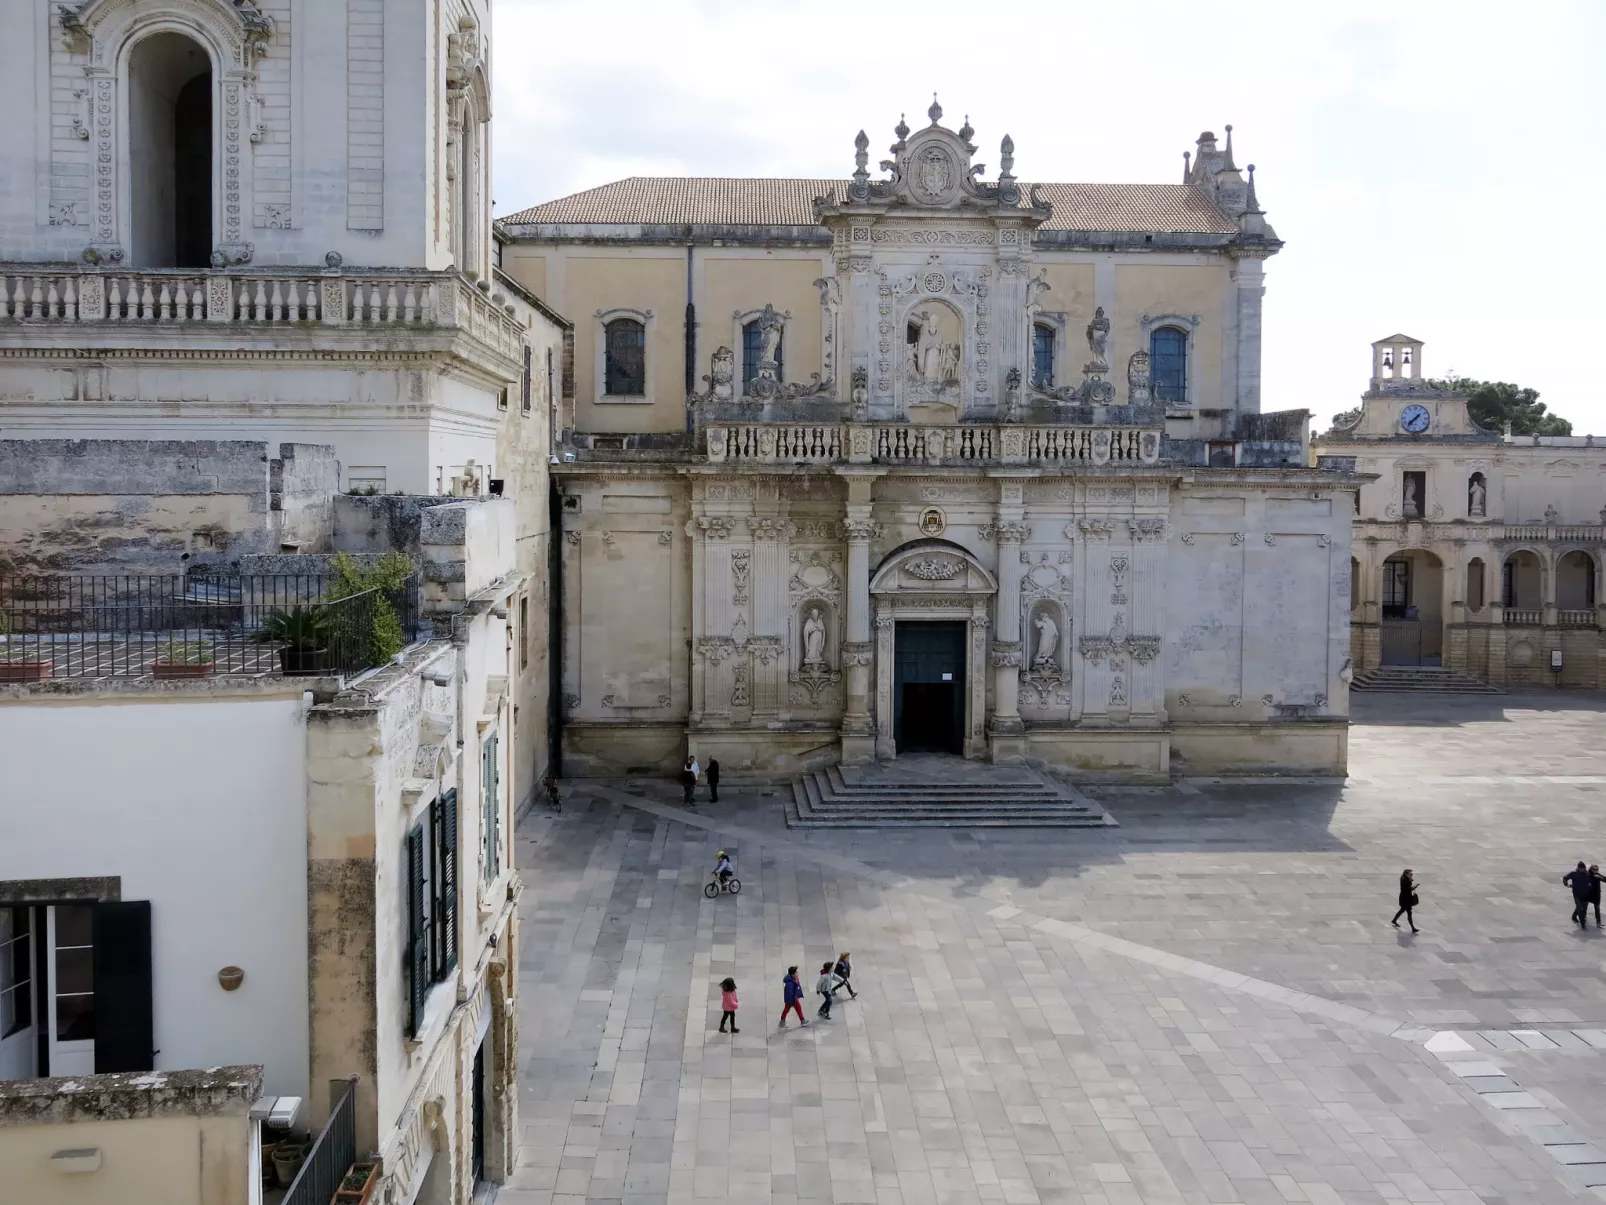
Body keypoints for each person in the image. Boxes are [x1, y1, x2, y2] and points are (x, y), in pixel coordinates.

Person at [1565, 861, 1593, 928]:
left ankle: (1574, 916)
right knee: (1580, 908)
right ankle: (1583, 923)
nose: (1582, 869)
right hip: (1576, 893)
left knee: (1582, 907)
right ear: (1578, 868)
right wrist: (1566, 884)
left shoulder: (1588, 875)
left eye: (1583, 868)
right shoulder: (1574, 874)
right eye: (1581, 868)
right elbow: (1565, 877)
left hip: (1586, 894)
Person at [1391, 869, 1419, 933]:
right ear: (1406, 874)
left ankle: (1394, 920)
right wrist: (1415, 886)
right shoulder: (1405, 881)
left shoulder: (1405, 878)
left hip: (1405, 898)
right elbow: (1409, 889)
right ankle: (1413, 928)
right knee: (1409, 913)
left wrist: (1410, 879)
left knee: (1402, 910)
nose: (1412, 875)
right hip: (1405, 899)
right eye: (1410, 874)